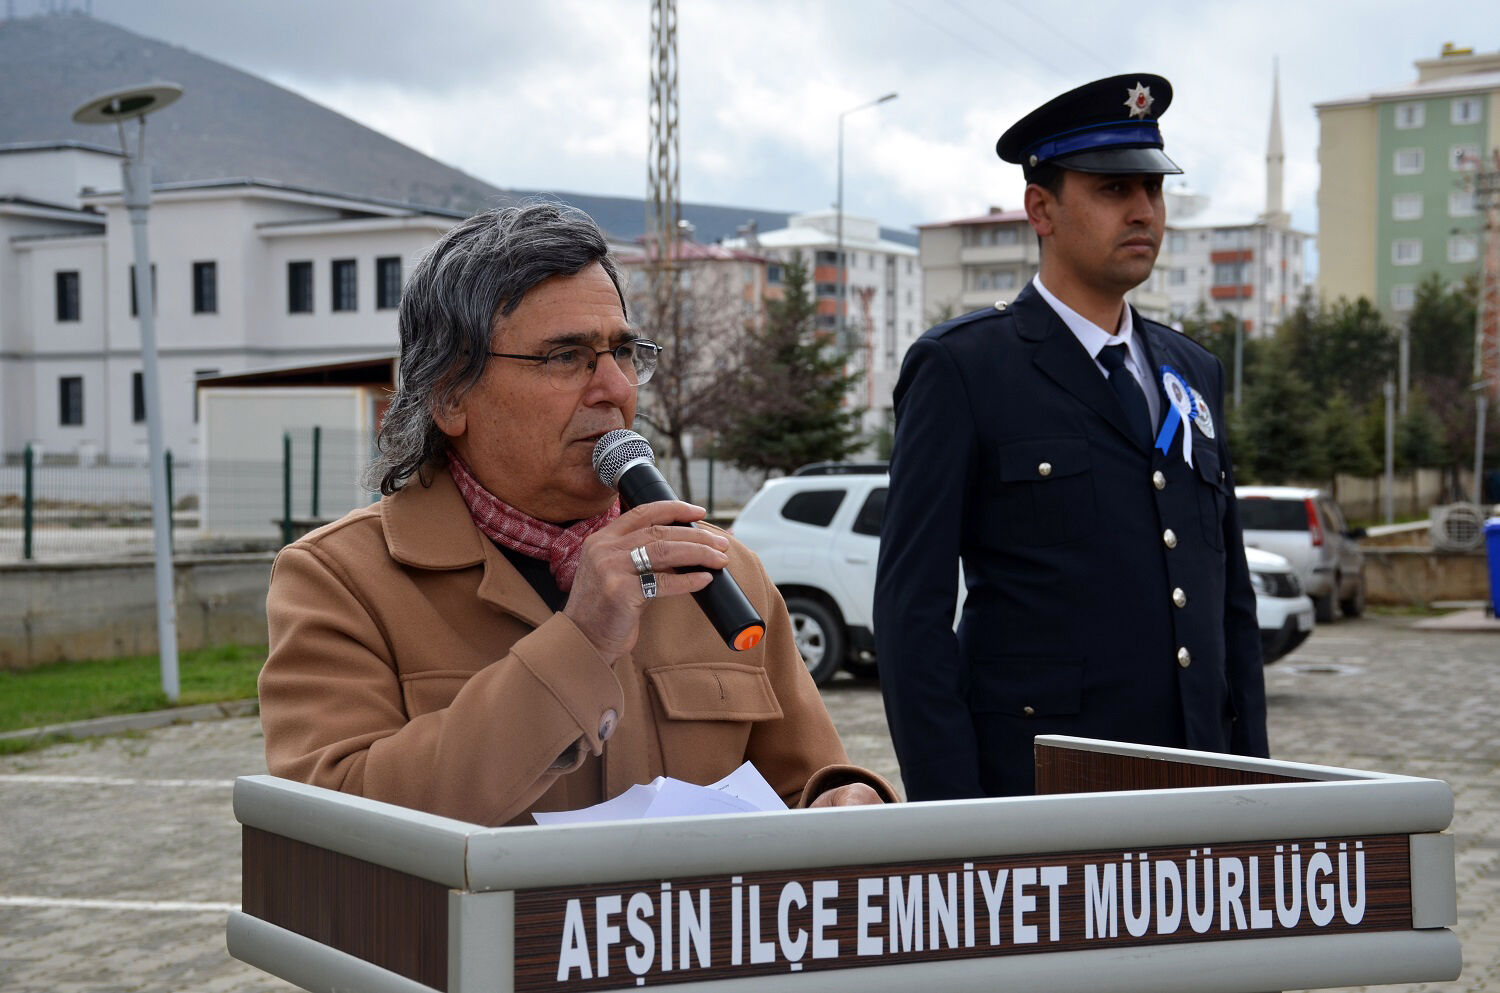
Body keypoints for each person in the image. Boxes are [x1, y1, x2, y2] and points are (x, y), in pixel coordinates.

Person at [259, 202, 892, 826]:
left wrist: (841, 802)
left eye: (623, 353)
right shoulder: (341, 580)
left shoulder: (718, 570)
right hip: (489, 934)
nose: (615, 388)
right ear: (451, 395)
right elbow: (339, 823)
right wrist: (580, 641)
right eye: (566, 357)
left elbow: (801, 784)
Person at [875, 74, 1268, 801]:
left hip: (1197, 787)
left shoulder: (1193, 370)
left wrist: (1255, 786)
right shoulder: (965, 367)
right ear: (1041, 208)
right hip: (1041, 793)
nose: (1144, 211)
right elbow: (911, 614)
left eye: (1153, 191)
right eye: (1113, 191)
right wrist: (952, 818)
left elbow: (1228, 606)